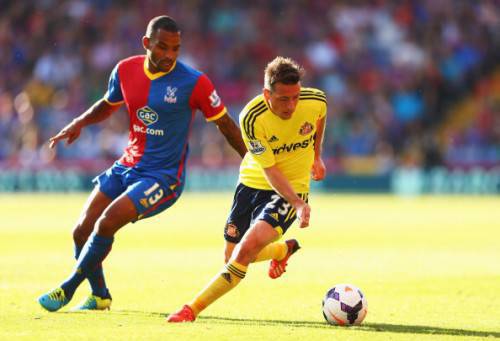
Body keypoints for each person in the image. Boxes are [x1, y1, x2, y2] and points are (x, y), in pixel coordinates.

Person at [37, 15, 246, 312]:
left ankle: (68, 288)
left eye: (176, 49)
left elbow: (224, 124)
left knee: (107, 222)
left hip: (163, 177)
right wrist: (78, 123)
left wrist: (251, 160)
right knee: (81, 231)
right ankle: (99, 296)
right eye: (163, 47)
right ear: (146, 43)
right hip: (128, 165)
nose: (170, 55)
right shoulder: (125, 70)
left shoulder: (194, 82)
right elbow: (108, 104)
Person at [167, 56, 327, 322]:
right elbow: (270, 169)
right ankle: (281, 250)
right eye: (284, 99)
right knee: (231, 256)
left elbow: (319, 118)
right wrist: (299, 206)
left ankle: (190, 310)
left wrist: (316, 155)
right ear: (267, 94)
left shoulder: (315, 100)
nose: (292, 105)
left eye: (295, 97)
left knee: (244, 250)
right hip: (252, 183)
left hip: (291, 190)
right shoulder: (251, 118)